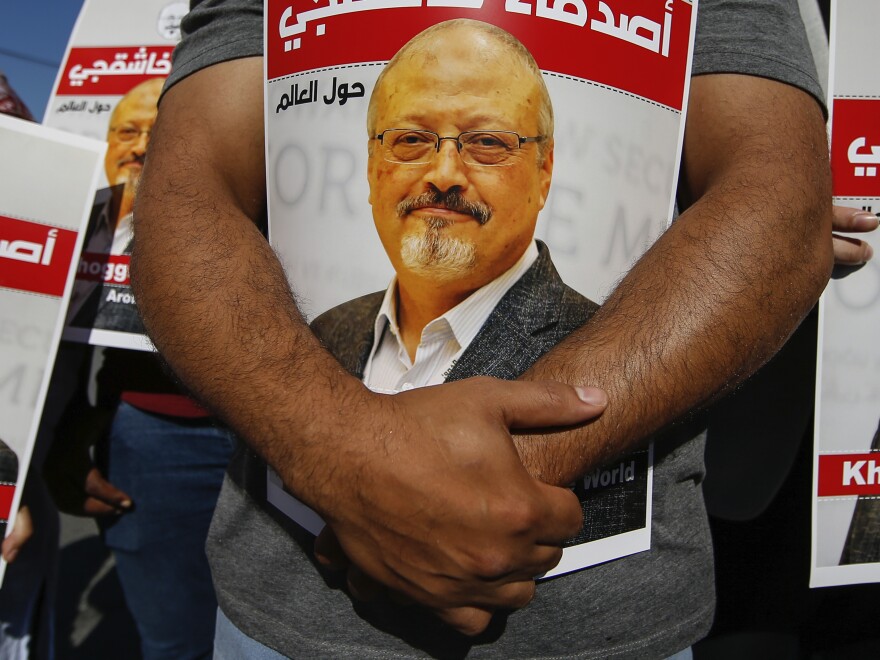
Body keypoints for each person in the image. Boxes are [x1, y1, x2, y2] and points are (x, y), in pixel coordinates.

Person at [133, 0, 833, 657]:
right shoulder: (333, 331)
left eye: (488, 144)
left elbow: (779, 201)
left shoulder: (578, 322)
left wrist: (489, 476)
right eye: (410, 140)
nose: (443, 174)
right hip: (272, 619)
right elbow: (185, 190)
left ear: (545, 170)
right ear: (371, 166)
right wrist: (332, 450)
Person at [66, 78, 164, 334]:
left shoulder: (186, 233)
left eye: (156, 134)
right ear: (108, 140)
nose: (140, 147)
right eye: (128, 132)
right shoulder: (66, 212)